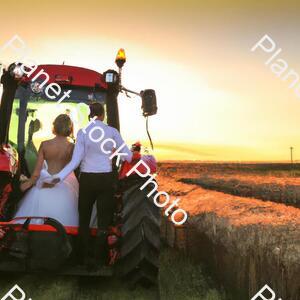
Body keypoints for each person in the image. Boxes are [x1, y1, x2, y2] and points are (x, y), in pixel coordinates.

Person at [51, 102, 132, 266]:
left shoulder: (83, 132)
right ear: (103, 115)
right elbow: (128, 157)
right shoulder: (112, 132)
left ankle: (82, 258)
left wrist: (59, 177)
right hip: (105, 180)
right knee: (103, 221)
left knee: (84, 220)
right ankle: (99, 258)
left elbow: (75, 161)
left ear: (90, 114)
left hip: (87, 180)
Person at [14, 114, 79, 226]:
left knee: (32, 222)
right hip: (64, 188)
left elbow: (36, 173)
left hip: (43, 185)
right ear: (70, 128)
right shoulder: (72, 147)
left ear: (54, 127)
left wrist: (27, 184)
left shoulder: (45, 145)